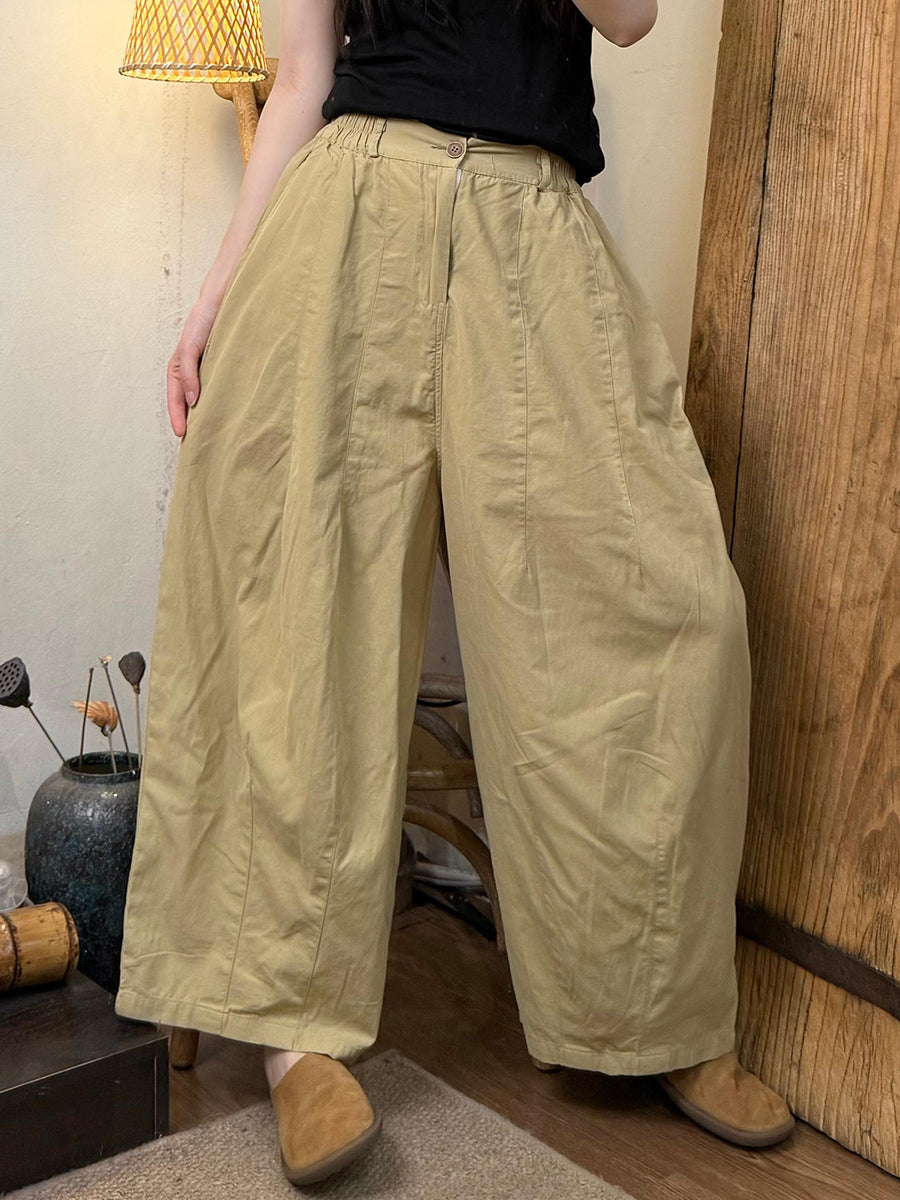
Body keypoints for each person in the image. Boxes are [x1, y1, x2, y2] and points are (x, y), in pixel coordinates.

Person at [114, 0, 796, 1184]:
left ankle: (650, 1015)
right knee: (295, 619)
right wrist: (215, 293)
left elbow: (633, 19)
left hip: (535, 223)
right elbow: (302, 77)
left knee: (664, 608)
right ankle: (291, 1038)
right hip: (350, 207)